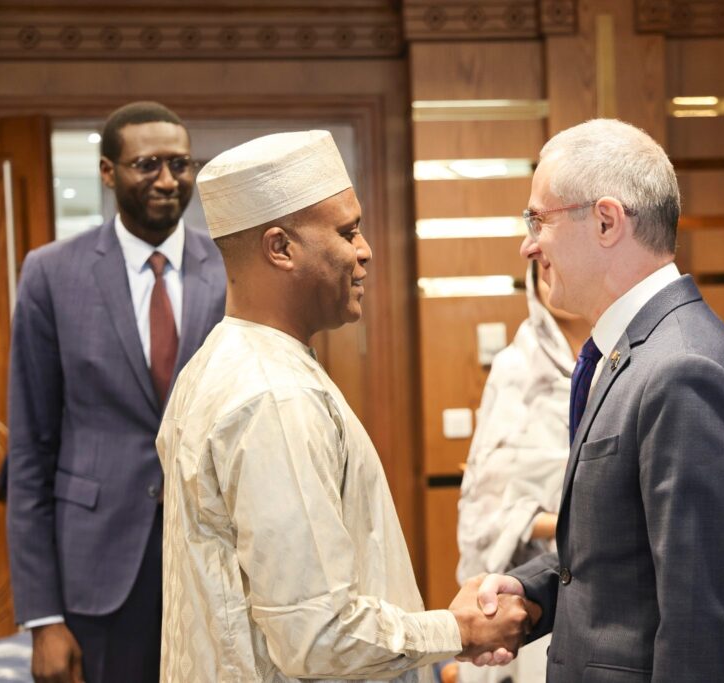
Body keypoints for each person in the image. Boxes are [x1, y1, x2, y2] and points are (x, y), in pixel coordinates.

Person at [157, 130, 534, 682]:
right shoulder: (273, 395)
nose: (365, 251)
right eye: (346, 231)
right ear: (280, 248)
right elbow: (317, 635)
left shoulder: (220, 362)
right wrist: (458, 630)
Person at [473, 118, 724, 682]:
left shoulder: (683, 369)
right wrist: (530, 590)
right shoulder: (634, 351)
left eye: (538, 220)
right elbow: (623, 552)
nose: (527, 244)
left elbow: (698, 626)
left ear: (607, 221)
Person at [6, 101, 227, 683]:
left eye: (180, 164)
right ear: (108, 172)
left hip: (217, 566)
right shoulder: (51, 274)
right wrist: (43, 618)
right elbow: (30, 452)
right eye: (147, 164)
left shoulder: (232, 269)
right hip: (97, 573)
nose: (167, 180)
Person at [455, 261, 587, 683]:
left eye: (559, 263)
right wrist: (561, 524)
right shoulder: (516, 366)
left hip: (602, 573)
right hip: (530, 578)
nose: (552, 276)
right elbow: (489, 498)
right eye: (541, 267)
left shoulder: (620, 359)